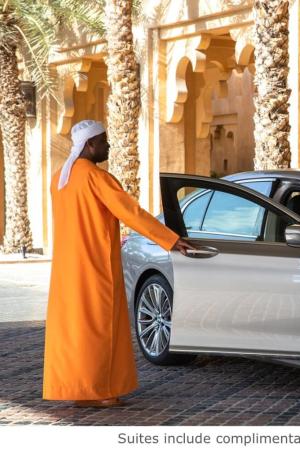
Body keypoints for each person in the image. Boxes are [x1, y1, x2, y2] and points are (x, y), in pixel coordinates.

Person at [42, 120, 194, 407]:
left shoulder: (58, 178)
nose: (107, 145)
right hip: (96, 266)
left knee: (75, 330)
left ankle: (79, 391)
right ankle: (101, 392)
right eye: (102, 140)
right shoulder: (97, 178)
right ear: (89, 144)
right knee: (100, 328)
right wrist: (171, 240)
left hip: (66, 269)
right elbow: (132, 213)